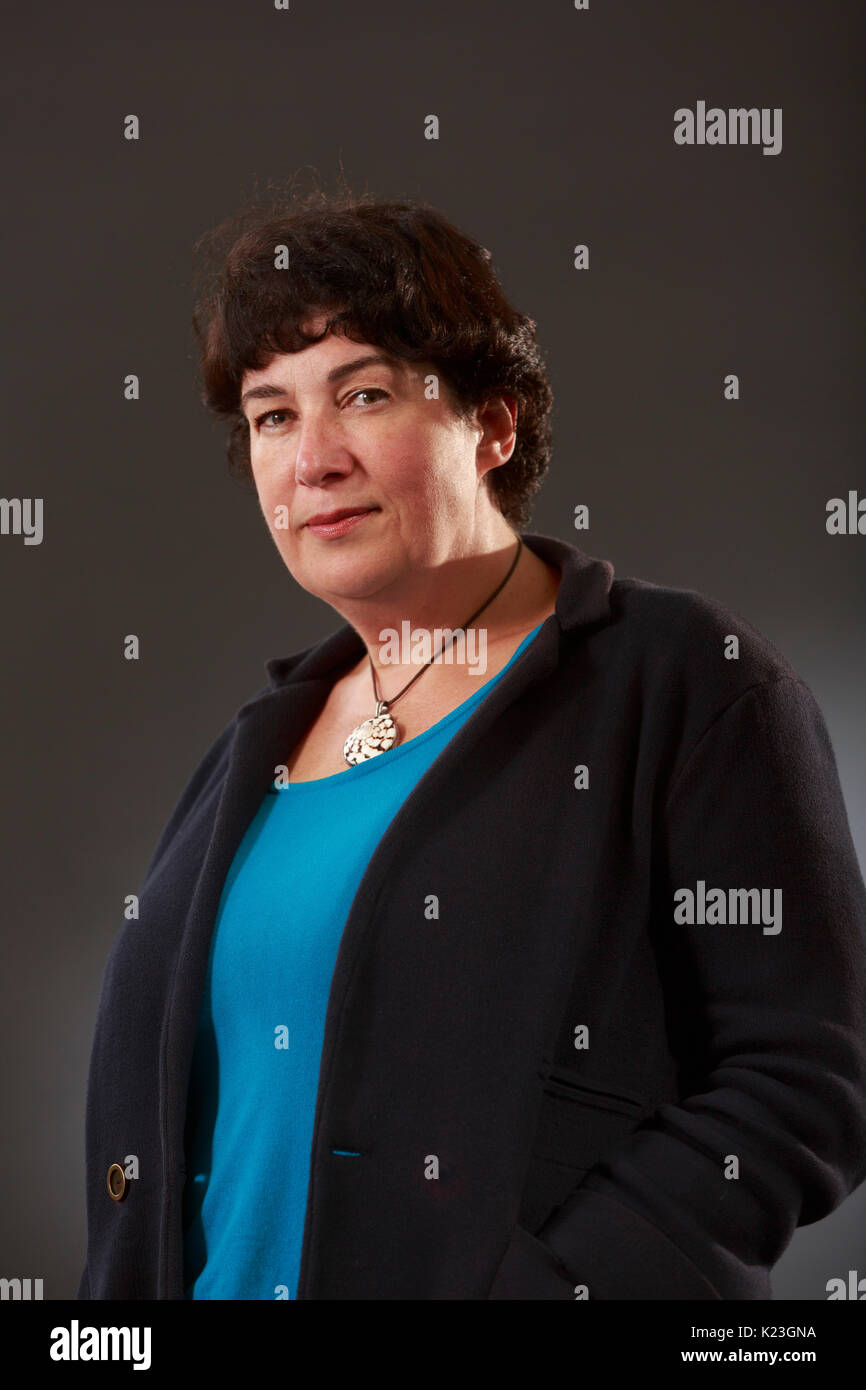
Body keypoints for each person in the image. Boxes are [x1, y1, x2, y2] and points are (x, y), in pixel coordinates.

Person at [77, 187, 866, 1301]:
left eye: (362, 394)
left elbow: (808, 1077)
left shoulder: (683, 683)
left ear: (491, 423)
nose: (313, 459)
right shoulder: (252, 752)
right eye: (271, 414)